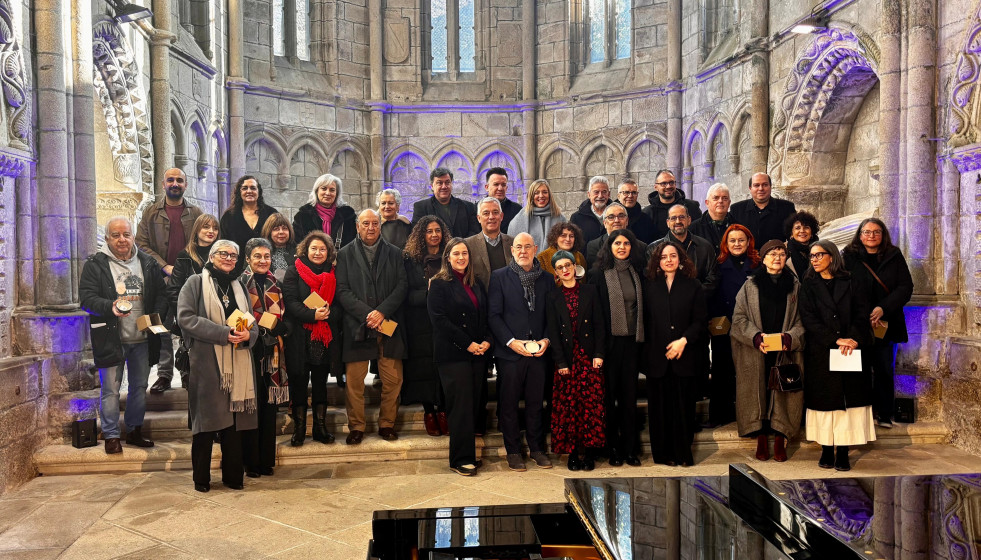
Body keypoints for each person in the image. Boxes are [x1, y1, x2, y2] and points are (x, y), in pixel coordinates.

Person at [177, 239, 259, 492]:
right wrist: (223, 333)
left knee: (234, 424)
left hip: (238, 360)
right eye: (223, 253)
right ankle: (201, 478)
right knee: (206, 423)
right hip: (207, 363)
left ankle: (233, 477)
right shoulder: (195, 283)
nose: (229, 258)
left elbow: (251, 321)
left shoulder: (239, 285)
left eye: (234, 255)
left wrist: (250, 336)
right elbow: (186, 318)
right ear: (212, 256)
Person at [80, 216, 167, 454]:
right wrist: (110, 306)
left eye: (126, 234)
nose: (121, 239)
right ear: (107, 238)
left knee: (139, 387)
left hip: (142, 339)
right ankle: (111, 435)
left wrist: (155, 317)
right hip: (110, 338)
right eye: (116, 235)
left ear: (133, 237)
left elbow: (161, 293)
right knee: (110, 390)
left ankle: (135, 430)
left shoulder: (147, 262)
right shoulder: (95, 264)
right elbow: (86, 299)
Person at [798, 239, 875, 472]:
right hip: (822, 350)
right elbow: (808, 319)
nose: (815, 260)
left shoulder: (852, 280)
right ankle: (825, 448)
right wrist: (834, 339)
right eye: (811, 256)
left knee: (848, 401)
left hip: (850, 348)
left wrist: (851, 338)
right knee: (826, 402)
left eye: (819, 255)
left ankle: (842, 451)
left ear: (831, 256)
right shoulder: (809, 285)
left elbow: (862, 313)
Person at [336, 209, 408, 443]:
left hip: (388, 324)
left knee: (393, 379)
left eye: (375, 223)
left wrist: (382, 312)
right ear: (357, 226)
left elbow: (401, 286)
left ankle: (387, 424)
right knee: (355, 381)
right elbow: (342, 290)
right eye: (365, 223)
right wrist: (368, 315)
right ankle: (356, 426)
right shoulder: (345, 254)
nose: (370, 227)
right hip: (358, 324)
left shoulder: (395, 253)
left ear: (381, 226)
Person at [731, 240, 805, 463]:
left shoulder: (795, 285)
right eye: (772, 254)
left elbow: (804, 319)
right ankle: (761, 434)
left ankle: (781, 436)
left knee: (784, 389)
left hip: (784, 348)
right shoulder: (750, 285)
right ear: (762, 259)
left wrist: (789, 338)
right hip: (758, 348)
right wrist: (755, 337)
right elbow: (739, 318)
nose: (777, 258)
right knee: (759, 388)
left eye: (782, 254)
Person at [488, 232, 554, 471]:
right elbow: (494, 315)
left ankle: (537, 448)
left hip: (539, 353)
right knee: (509, 403)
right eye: (518, 247)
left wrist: (546, 340)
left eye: (528, 247)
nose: (523, 251)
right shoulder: (499, 277)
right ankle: (514, 450)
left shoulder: (547, 279)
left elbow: (551, 315)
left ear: (535, 248)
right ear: (512, 250)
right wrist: (510, 342)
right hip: (511, 354)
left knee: (536, 403)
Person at [428, 238, 492, 475]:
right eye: (456, 253)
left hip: (477, 354)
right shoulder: (438, 284)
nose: (461, 257)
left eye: (465, 253)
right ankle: (460, 459)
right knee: (461, 408)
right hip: (453, 355)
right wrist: (468, 344)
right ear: (448, 257)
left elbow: (485, 316)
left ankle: (469, 456)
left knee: (473, 406)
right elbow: (440, 321)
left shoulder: (476, 283)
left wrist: (487, 341)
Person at [136, 167, 203, 394]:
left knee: (188, 326)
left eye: (180, 180)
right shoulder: (151, 212)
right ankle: (164, 375)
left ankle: (187, 371)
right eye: (171, 180)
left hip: (190, 281)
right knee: (159, 326)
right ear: (163, 184)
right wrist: (164, 266)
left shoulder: (196, 213)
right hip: (159, 281)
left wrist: (186, 269)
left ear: (186, 184)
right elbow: (141, 244)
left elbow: (204, 242)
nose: (175, 184)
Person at [842, 219, 914, 429]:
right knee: (860, 368)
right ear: (860, 234)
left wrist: (884, 307)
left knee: (883, 367)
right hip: (859, 321)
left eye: (876, 232)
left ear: (883, 235)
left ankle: (884, 412)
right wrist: (863, 313)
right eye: (866, 232)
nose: (871, 236)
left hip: (886, 321)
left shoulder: (894, 255)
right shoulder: (849, 256)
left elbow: (905, 287)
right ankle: (861, 413)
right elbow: (844, 286)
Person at [642, 240, 706, 467]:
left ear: (680, 259)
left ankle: (682, 454)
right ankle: (662, 454)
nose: (668, 260)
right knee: (659, 410)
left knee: (683, 409)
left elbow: (700, 321)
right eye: (663, 257)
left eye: (672, 256)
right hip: (657, 358)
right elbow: (646, 322)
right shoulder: (649, 285)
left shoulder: (693, 285)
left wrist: (683, 341)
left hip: (685, 356)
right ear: (657, 262)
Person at [588, 229, 646, 467]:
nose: (622, 247)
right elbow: (595, 315)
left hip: (632, 343)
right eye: (617, 243)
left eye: (626, 243)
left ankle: (630, 448)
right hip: (609, 345)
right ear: (609, 247)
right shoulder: (598, 274)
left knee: (629, 399)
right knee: (608, 399)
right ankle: (612, 447)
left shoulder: (637, 273)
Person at [545, 251, 606, 471]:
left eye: (568, 265)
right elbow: (553, 331)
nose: (565, 269)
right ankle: (572, 453)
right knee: (569, 408)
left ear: (575, 266)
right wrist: (561, 362)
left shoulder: (590, 291)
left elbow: (600, 325)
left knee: (590, 406)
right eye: (560, 267)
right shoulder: (553, 296)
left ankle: (589, 453)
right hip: (567, 361)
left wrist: (599, 354)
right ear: (556, 272)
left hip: (588, 359)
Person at [282, 231, 340, 446]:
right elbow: (290, 301)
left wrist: (327, 314)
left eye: (322, 249)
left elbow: (339, 304)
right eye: (314, 248)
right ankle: (299, 429)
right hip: (299, 335)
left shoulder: (334, 273)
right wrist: (312, 315)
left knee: (319, 383)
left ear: (329, 252)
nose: (318, 252)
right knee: (298, 382)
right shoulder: (293, 271)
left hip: (322, 337)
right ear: (305, 250)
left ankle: (320, 428)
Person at [239, 238, 290, 477]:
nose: (262, 260)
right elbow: (235, 315)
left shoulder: (275, 283)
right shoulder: (239, 282)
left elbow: (285, 312)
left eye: (266, 256)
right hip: (249, 348)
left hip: (272, 350)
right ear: (248, 258)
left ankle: (266, 459)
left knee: (268, 405)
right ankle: (250, 461)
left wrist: (282, 326)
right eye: (257, 256)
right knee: (252, 406)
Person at [706, 224, 759, 428]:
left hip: (749, 326)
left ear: (748, 242)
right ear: (725, 244)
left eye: (741, 240)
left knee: (748, 371)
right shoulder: (718, 264)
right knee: (721, 371)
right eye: (732, 241)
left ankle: (749, 416)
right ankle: (719, 415)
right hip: (723, 325)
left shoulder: (757, 265)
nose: (737, 244)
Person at [403, 216, 451, 436]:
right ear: (421, 235)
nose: (434, 235)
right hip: (419, 321)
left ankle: (443, 410)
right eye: (429, 231)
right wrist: (428, 293)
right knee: (424, 369)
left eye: (438, 230)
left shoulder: (450, 257)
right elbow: (406, 293)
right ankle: (429, 412)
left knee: (444, 367)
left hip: (445, 320)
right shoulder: (411, 259)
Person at [167, 213, 220, 387]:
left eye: (214, 228)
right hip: (193, 322)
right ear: (196, 230)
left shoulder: (223, 255)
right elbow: (174, 290)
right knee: (194, 379)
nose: (210, 231)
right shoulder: (184, 255)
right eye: (206, 227)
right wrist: (186, 318)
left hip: (218, 321)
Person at [219, 175, 278, 271]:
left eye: (253, 188)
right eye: (245, 188)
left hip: (267, 268)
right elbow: (224, 244)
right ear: (239, 192)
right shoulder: (229, 217)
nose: (249, 191)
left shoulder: (271, 214)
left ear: (259, 192)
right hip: (236, 270)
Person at [292, 173, 358, 249]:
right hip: (311, 259)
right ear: (317, 191)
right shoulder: (302, 216)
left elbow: (354, 243)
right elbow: (297, 245)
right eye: (324, 188)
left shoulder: (348, 215)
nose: (327, 193)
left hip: (341, 260)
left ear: (337, 193)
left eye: (332, 190)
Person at [729, 172, 797, 246]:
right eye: (756, 185)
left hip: (776, 256)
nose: (761, 188)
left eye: (765, 185)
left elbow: (793, 236)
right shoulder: (736, 209)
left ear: (770, 186)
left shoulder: (787, 207)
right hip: (746, 256)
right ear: (750, 188)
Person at [411, 167, 480, 237]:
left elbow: (474, 232)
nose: (444, 186)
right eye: (439, 183)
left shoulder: (468, 207)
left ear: (451, 184)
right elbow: (417, 235)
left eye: (447, 182)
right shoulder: (421, 207)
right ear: (432, 186)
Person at [464, 197, 514, 291]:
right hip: (481, 302)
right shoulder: (467, 245)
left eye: (495, 212)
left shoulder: (514, 243)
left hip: (509, 302)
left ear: (501, 216)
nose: (491, 217)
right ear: (479, 218)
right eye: (486, 213)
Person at [643, 169, 700, 240]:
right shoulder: (647, 213)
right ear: (656, 187)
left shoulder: (692, 207)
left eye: (671, 182)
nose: (668, 186)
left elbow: (699, 233)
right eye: (663, 183)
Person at [508, 179, 566, 250]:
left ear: (549, 195)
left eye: (545, 192)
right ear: (531, 196)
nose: (541, 196)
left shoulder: (560, 218)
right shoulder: (519, 219)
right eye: (536, 193)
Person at [586, 202, 631, 269]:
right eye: (611, 217)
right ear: (605, 223)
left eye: (621, 216)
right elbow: (594, 274)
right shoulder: (594, 247)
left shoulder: (640, 246)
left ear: (627, 221)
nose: (616, 220)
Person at [690, 183, 733, 253]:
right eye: (716, 198)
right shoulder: (693, 229)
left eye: (725, 198)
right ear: (707, 203)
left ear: (729, 203)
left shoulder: (738, 226)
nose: (720, 201)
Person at [569, 176, 611, 243]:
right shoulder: (577, 218)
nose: (600, 196)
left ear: (609, 194)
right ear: (589, 194)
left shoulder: (618, 215)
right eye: (596, 192)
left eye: (604, 192)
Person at [483, 167, 522, 233]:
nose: (500, 188)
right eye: (496, 184)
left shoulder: (517, 210)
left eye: (503, 185)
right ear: (487, 187)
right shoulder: (476, 209)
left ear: (506, 188)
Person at [617, 179, 656, 243]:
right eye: (626, 192)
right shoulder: (610, 217)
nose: (630, 196)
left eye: (634, 193)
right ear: (618, 196)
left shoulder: (645, 219)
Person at [261, 212, 297, 280]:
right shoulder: (261, 252)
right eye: (276, 229)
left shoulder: (298, 252)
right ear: (269, 232)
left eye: (284, 228)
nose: (281, 232)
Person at [785, 211, 820, 278]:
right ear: (791, 233)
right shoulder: (784, 251)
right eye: (797, 228)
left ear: (812, 231)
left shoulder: (821, 249)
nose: (802, 231)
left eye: (806, 227)